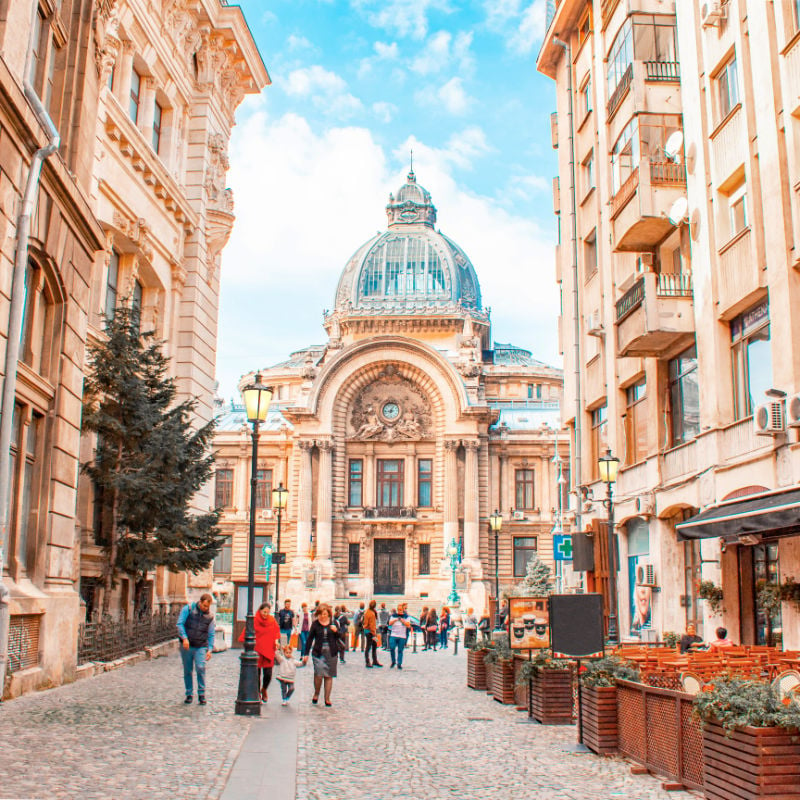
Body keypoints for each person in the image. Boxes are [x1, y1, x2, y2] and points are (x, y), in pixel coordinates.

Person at [237, 601, 281, 703]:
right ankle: (257, 694)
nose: (265, 614)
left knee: (268, 674)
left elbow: (276, 631)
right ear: (260, 611)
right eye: (264, 612)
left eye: (267, 612)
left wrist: (276, 641)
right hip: (257, 650)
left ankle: (264, 689)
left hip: (268, 650)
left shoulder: (271, 620)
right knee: (256, 674)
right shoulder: (255, 620)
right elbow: (247, 632)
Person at [176, 593, 215, 705]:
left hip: (201, 646)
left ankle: (201, 694)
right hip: (187, 645)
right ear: (200, 602)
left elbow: (211, 633)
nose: (205, 608)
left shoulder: (210, 617)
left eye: (207, 607)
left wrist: (210, 649)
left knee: (200, 667)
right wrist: (184, 638)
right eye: (203, 606)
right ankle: (189, 693)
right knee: (188, 670)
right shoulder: (188, 609)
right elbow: (180, 624)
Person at [302, 602, 341, 706]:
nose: (323, 616)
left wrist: (336, 631)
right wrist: (305, 653)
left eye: (325, 614)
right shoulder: (315, 624)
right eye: (321, 614)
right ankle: (316, 693)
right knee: (319, 674)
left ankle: (327, 698)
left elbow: (339, 637)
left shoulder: (333, 623)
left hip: (331, 652)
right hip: (318, 652)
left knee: (329, 675)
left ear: (328, 614)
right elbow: (310, 639)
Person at [388, 603, 412, 669]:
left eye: (401, 610)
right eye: (398, 610)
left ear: (403, 610)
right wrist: (396, 619)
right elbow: (389, 623)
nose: (400, 611)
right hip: (394, 634)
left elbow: (408, 624)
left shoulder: (406, 616)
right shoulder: (393, 616)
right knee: (392, 648)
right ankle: (393, 661)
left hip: (402, 636)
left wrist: (402, 621)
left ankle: (399, 663)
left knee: (400, 650)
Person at [362, 599, 383, 668]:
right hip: (371, 632)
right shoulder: (371, 613)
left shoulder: (367, 612)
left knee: (373, 645)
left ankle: (374, 661)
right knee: (370, 646)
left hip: (367, 631)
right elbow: (372, 625)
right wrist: (374, 634)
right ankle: (368, 661)